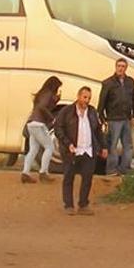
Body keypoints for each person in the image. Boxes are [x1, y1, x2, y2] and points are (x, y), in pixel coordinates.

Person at [54, 85, 107, 215]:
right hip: (72, 151)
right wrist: (68, 144)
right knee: (69, 177)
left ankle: (83, 204)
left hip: (88, 150)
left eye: (89, 98)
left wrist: (103, 146)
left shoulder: (92, 112)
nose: (87, 101)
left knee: (87, 178)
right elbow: (58, 128)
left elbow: (98, 131)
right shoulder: (67, 111)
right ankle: (68, 205)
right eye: (84, 97)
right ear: (78, 97)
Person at [19, 76, 61, 183]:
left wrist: (55, 101)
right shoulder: (48, 93)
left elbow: (41, 106)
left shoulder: (42, 94)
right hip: (38, 124)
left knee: (33, 149)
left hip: (32, 123)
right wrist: (52, 118)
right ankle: (43, 173)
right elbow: (42, 107)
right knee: (49, 147)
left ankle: (25, 173)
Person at [100, 59, 134, 173]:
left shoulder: (130, 82)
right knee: (112, 145)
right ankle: (111, 169)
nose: (120, 68)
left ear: (126, 68)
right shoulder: (108, 83)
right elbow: (102, 102)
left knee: (128, 145)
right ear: (115, 67)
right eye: (118, 66)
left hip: (126, 118)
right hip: (113, 119)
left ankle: (125, 168)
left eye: (123, 66)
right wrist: (102, 118)